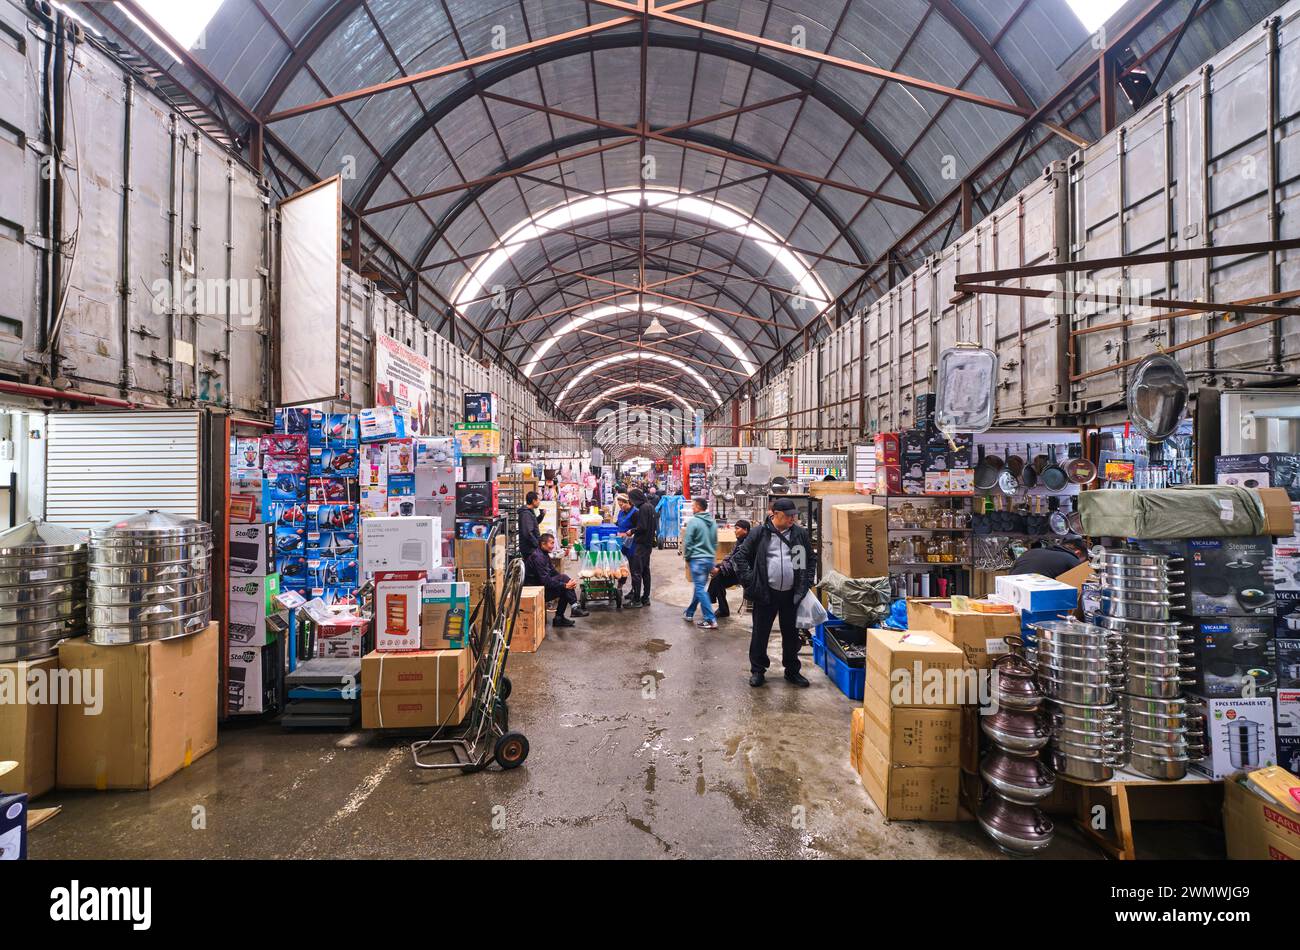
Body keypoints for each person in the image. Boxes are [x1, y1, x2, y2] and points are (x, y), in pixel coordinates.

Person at [732, 497, 812, 688]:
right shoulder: (760, 533)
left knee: (791, 634)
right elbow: (740, 558)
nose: (792, 519)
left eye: (794, 516)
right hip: (766, 593)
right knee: (761, 634)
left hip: (791, 594)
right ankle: (758, 670)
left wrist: (805, 583)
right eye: (788, 516)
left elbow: (807, 561)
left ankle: (792, 670)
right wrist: (751, 581)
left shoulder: (799, 534)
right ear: (775, 515)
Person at [524, 532, 587, 626]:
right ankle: (568, 612)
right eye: (551, 543)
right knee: (565, 587)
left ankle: (563, 615)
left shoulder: (544, 554)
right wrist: (565, 584)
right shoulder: (538, 557)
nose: (553, 546)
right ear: (543, 544)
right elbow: (545, 581)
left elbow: (553, 572)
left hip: (542, 586)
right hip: (536, 590)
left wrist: (565, 582)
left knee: (565, 581)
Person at [681, 498, 719, 629]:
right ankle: (690, 613)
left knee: (700, 589)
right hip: (708, 559)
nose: (692, 508)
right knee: (699, 587)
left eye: (693, 506)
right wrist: (712, 560)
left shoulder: (694, 522)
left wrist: (687, 556)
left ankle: (710, 619)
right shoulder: (713, 522)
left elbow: (688, 542)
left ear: (698, 507)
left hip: (697, 559)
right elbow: (715, 543)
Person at [708, 519, 750, 618]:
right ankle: (720, 607)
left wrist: (720, 569)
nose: (735, 531)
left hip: (743, 573)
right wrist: (720, 565)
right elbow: (730, 556)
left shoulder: (747, 543)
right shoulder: (739, 541)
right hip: (736, 570)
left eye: (737, 528)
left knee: (718, 578)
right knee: (718, 578)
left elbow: (736, 561)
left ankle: (712, 601)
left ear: (745, 530)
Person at [624, 488, 656, 607]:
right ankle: (645, 598)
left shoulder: (643, 508)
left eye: (631, 499)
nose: (631, 502)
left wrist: (632, 531)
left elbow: (642, 527)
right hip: (648, 545)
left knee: (637, 572)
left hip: (641, 544)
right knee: (646, 571)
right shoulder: (651, 507)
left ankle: (636, 600)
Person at [1009, 536, 1086, 577]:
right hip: (1037, 599)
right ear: (1078, 553)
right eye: (1082, 561)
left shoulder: (1031, 552)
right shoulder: (1071, 558)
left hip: (1009, 591)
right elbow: (1083, 582)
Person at [518, 491, 543, 557]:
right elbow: (528, 533)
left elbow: (534, 524)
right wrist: (537, 544)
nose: (539, 502)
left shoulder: (530, 511)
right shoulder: (526, 514)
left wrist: (541, 515)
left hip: (531, 548)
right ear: (533, 501)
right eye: (538, 500)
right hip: (529, 549)